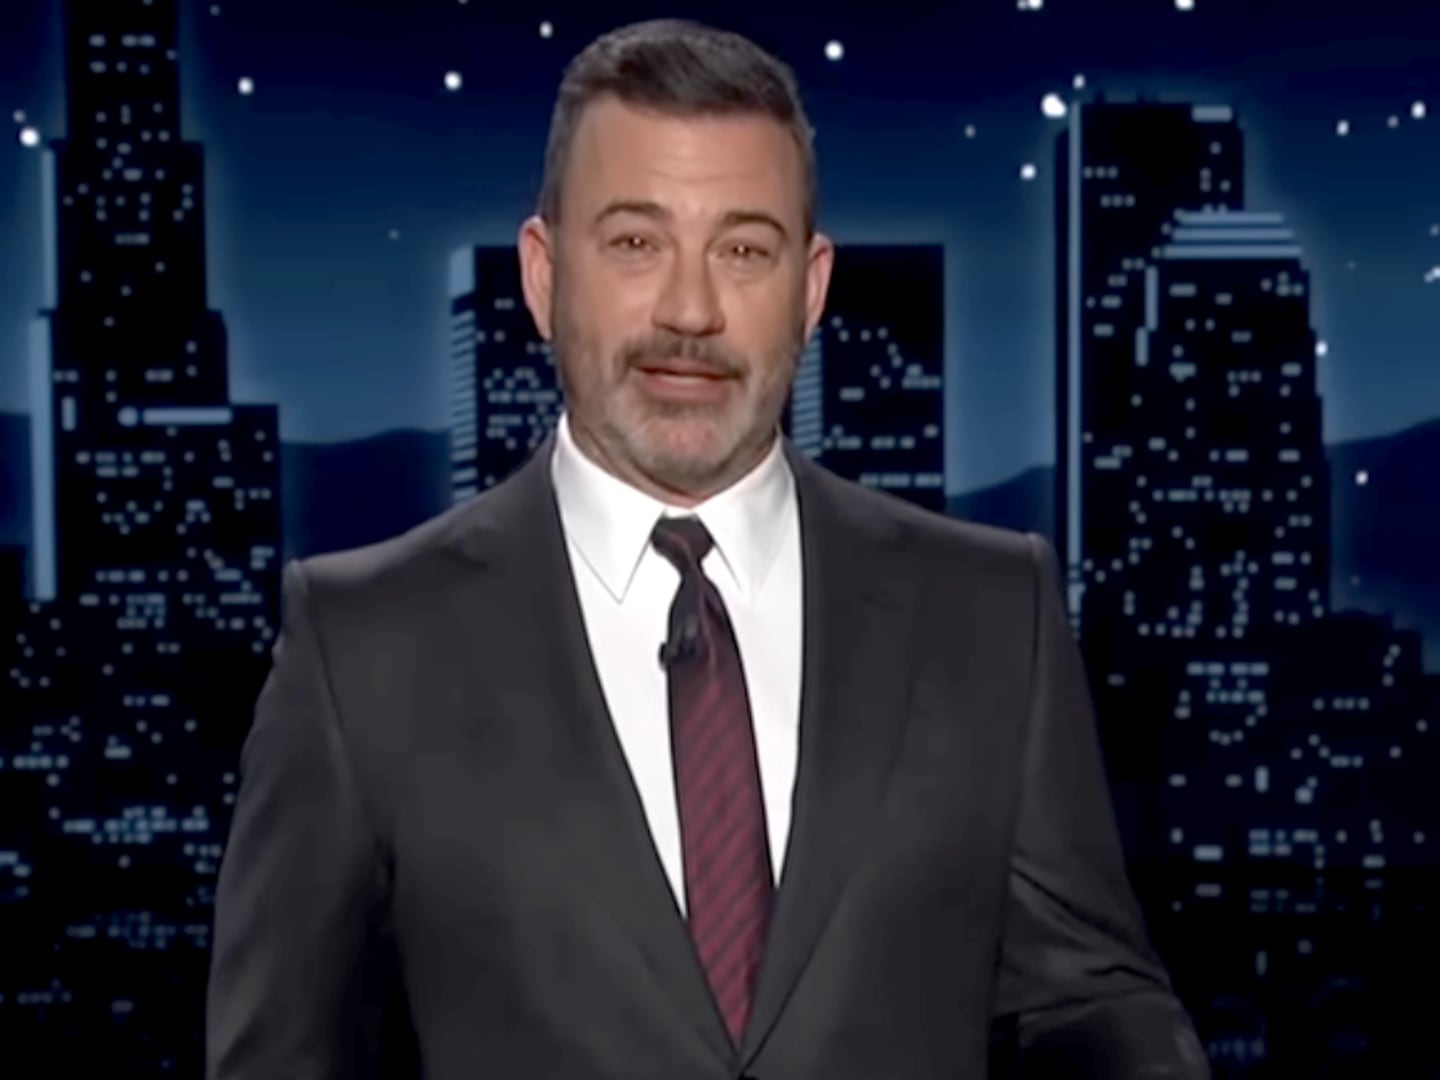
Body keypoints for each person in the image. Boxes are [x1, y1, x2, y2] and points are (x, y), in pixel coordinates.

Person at [205, 18, 1210, 1080]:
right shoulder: (362, 648)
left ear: (809, 290)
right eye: (636, 244)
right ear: (543, 276)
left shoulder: (992, 611)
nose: (690, 311)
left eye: (742, 250)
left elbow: (1091, 1006)